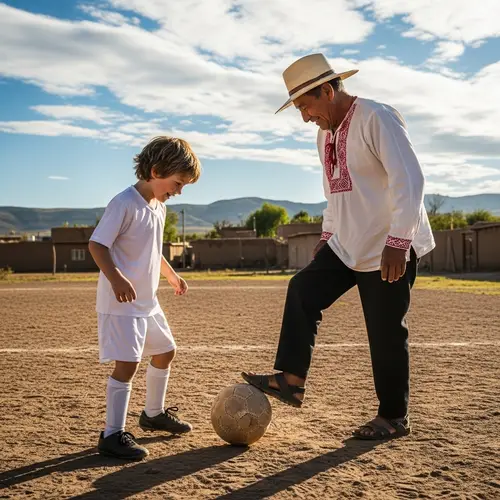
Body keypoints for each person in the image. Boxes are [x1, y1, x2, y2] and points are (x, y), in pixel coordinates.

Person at [242, 53, 435, 440]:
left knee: (385, 333)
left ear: (328, 90)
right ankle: (291, 380)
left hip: (387, 246)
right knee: (302, 290)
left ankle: (394, 416)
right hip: (346, 243)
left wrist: (399, 241)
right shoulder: (325, 134)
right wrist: (327, 237)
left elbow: (408, 180)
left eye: (306, 105)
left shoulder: (377, 117)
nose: (304, 116)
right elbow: (334, 193)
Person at [89, 136, 201, 459]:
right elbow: (97, 246)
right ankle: (112, 435)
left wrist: (170, 274)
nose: (178, 191)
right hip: (121, 302)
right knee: (128, 364)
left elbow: (152, 250)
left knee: (166, 351)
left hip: (147, 302)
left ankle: (153, 414)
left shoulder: (160, 208)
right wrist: (116, 277)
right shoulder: (123, 203)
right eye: (177, 183)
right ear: (155, 171)